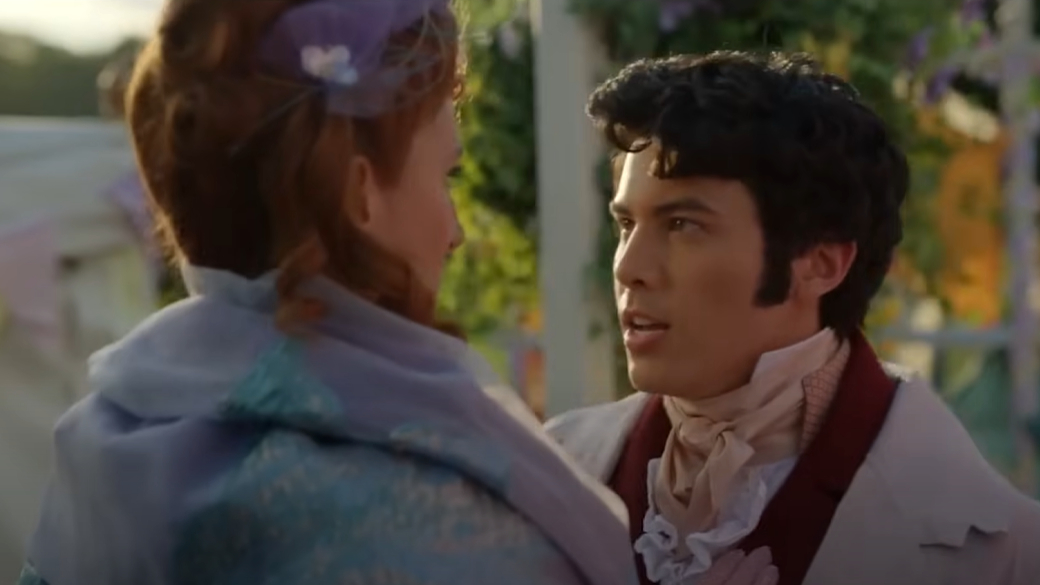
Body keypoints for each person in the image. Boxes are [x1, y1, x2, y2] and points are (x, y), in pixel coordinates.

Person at [16, 1, 649, 584]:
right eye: (446, 175)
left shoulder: (109, 438)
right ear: (358, 190)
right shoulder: (424, 528)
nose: (455, 232)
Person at [546, 51, 1040, 585]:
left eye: (682, 225)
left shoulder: (1006, 553)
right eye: (626, 225)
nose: (628, 268)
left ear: (820, 263)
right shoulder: (553, 468)